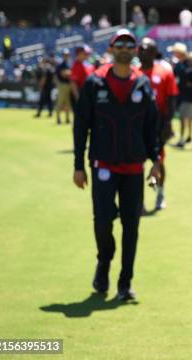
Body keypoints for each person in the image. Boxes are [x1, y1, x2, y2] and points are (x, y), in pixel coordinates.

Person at [73, 29, 161, 301]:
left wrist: (156, 162)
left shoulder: (143, 84)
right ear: (110, 49)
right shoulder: (93, 83)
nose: (124, 47)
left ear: (134, 50)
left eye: (129, 44)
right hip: (102, 165)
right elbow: (81, 126)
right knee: (102, 223)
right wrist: (79, 164)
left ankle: (125, 282)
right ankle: (104, 262)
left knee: (131, 227)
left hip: (134, 168)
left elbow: (151, 128)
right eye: (119, 43)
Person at [138, 37, 179, 211]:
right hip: (136, 125)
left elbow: (171, 100)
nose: (141, 52)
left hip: (157, 125)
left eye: (145, 49)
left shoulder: (164, 72)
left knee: (159, 160)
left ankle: (160, 194)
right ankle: (137, 199)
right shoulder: (133, 72)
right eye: (140, 48)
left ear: (154, 53)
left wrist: (168, 124)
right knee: (136, 163)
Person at [70, 45, 95, 113]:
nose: (88, 55)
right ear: (79, 54)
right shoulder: (76, 65)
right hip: (82, 94)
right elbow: (73, 83)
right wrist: (78, 98)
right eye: (86, 54)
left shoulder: (85, 64)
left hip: (89, 94)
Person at [55, 49, 72, 124]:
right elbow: (63, 74)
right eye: (65, 55)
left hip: (69, 85)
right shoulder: (61, 65)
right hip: (62, 85)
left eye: (67, 55)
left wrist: (69, 73)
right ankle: (58, 119)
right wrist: (69, 73)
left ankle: (67, 119)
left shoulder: (69, 64)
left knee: (68, 103)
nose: (66, 56)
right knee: (60, 102)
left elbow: (70, 74)